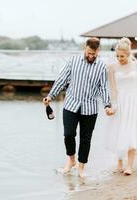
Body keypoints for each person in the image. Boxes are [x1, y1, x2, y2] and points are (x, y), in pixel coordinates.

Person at [43, 37, 114, 178]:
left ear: (98, 51)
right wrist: (51, 96)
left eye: (93, 54)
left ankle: (81, 168)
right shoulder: (73, 61)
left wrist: (107, 105)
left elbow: (104, 88)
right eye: (88, 53)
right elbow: (62, 79)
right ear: (85, 48)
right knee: (68, 134)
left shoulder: (101, 67)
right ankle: (71, 161)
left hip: (90, 108)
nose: (91, 56)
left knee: (85, 139)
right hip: (71, 104)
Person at [106, 37, 137, 176]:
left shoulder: (136, 65)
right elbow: (112, 88)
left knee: (131, 131)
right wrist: (113, 105)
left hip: (133, 101)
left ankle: (129, 166)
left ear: (129, 54)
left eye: (122, 56)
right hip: (119, 102)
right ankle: (119, 161)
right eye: (117, 56)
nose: (119, 58)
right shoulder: (112, 67)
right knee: (119, 130)